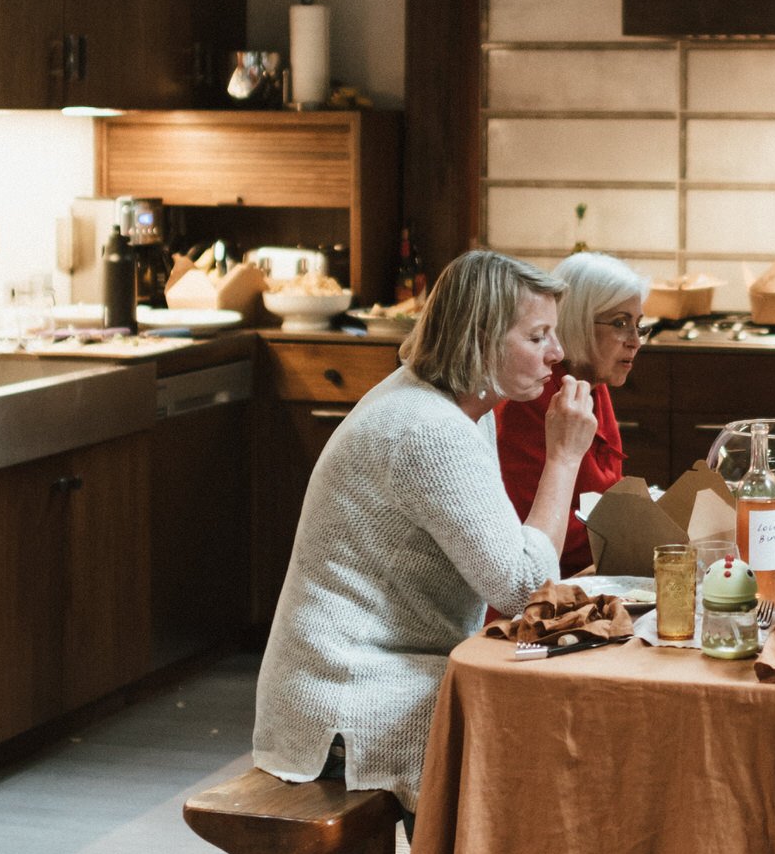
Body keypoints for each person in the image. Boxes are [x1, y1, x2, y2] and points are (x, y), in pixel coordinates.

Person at [251, 250, 597, 815]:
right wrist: (564, 458)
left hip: (376, 672)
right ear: (481, 339)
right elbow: (523, 592)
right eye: (538, 337)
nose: (557, 355)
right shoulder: (428, 430)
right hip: (349, 695)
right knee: (550, 737)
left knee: (546, 715)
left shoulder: (457, 408)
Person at [496, 251, 646, 573]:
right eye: (621, 323)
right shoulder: (534, 399)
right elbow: (531, 536)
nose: (635, 341)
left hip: (594, 571)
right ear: (578, 320)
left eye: (639, 325)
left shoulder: (594, 385)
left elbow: (606, 496)